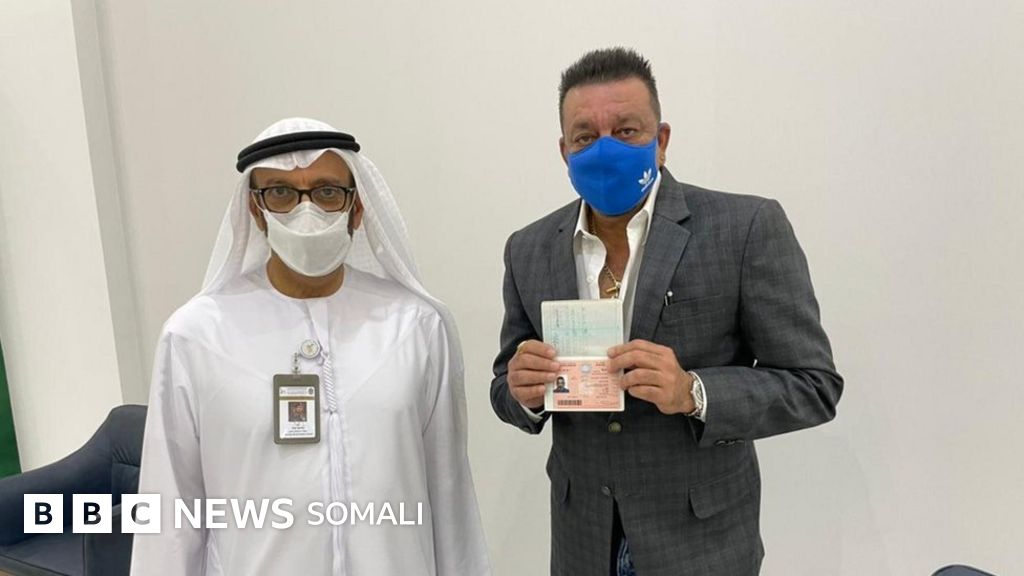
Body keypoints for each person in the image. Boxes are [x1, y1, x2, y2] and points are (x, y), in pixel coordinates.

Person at [490, 48, 843, 576]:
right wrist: (523, 393)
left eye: (626, 130)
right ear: (564, 150)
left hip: (700, 545)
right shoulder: (529, 248)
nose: (605, 149)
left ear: (661, 140)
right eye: (585, 136)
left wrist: (693, 392)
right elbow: (505, 386)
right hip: (582, 541)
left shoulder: (745, 228)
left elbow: (814, 386)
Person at [132, 117, 490, 576]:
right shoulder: (196, 336)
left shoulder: (414, 326)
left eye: (326, 192)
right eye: (281, 192)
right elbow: (170, 512)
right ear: (255, 210)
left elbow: (449, 494)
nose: (307, 211)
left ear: (356, 208)